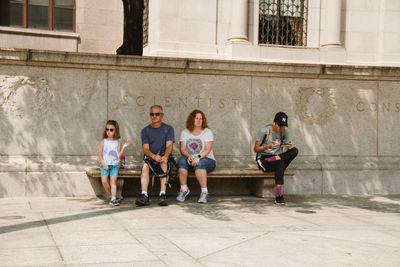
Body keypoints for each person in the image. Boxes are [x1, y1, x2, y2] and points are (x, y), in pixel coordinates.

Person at [254, 112, 298, 205]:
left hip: (278, 157)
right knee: (280, 163)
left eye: (283, 126)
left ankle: (276, 158)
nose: (281, 128)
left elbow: (287, 147)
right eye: (280, 126)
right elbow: (256, 149)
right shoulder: (265, 131)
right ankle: (279, 195)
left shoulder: (285, 131)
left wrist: (288, 147)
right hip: (265, 159)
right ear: (274, 123)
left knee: (295, 150)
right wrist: (268, 146)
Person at [136, 105, 175, 206]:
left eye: (157, 114)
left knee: (164, 163)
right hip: (151, 157)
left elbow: (169, 145)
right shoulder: (145, 131)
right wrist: (153, 156)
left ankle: (162, 194)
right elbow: (145, 149)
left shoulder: (168, 129)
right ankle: (144, 195)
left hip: (163, 156)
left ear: (162, 115)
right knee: (145, 167)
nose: (154, 116)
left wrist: (165, 156)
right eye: (152, 114)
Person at [176, 110, 216, 204]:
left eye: (200, 119)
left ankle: (204, 192)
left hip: (207, 160)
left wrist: (198, 157)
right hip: (190, 160)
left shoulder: (207, 132)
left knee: (199, 163)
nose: (198, 120)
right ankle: (184, 189)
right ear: (192, 119)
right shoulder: (185, 132)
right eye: (196, 118)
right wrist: (188, 156)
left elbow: (207, 149)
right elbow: (182, 149)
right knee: (181, 161)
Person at [98, 120, 130, 206]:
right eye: (107, 129)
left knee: (113, 182)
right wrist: (103, 164)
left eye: (111, 130)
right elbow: (100, 155)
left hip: (114, 165)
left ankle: (113, 200)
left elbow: (118, 156)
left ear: (115, 130)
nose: (108, 131)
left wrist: (123, 147)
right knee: (104, 181)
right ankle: (113, 196)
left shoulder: (117, 143)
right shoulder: (103, 142)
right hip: (104, 165)